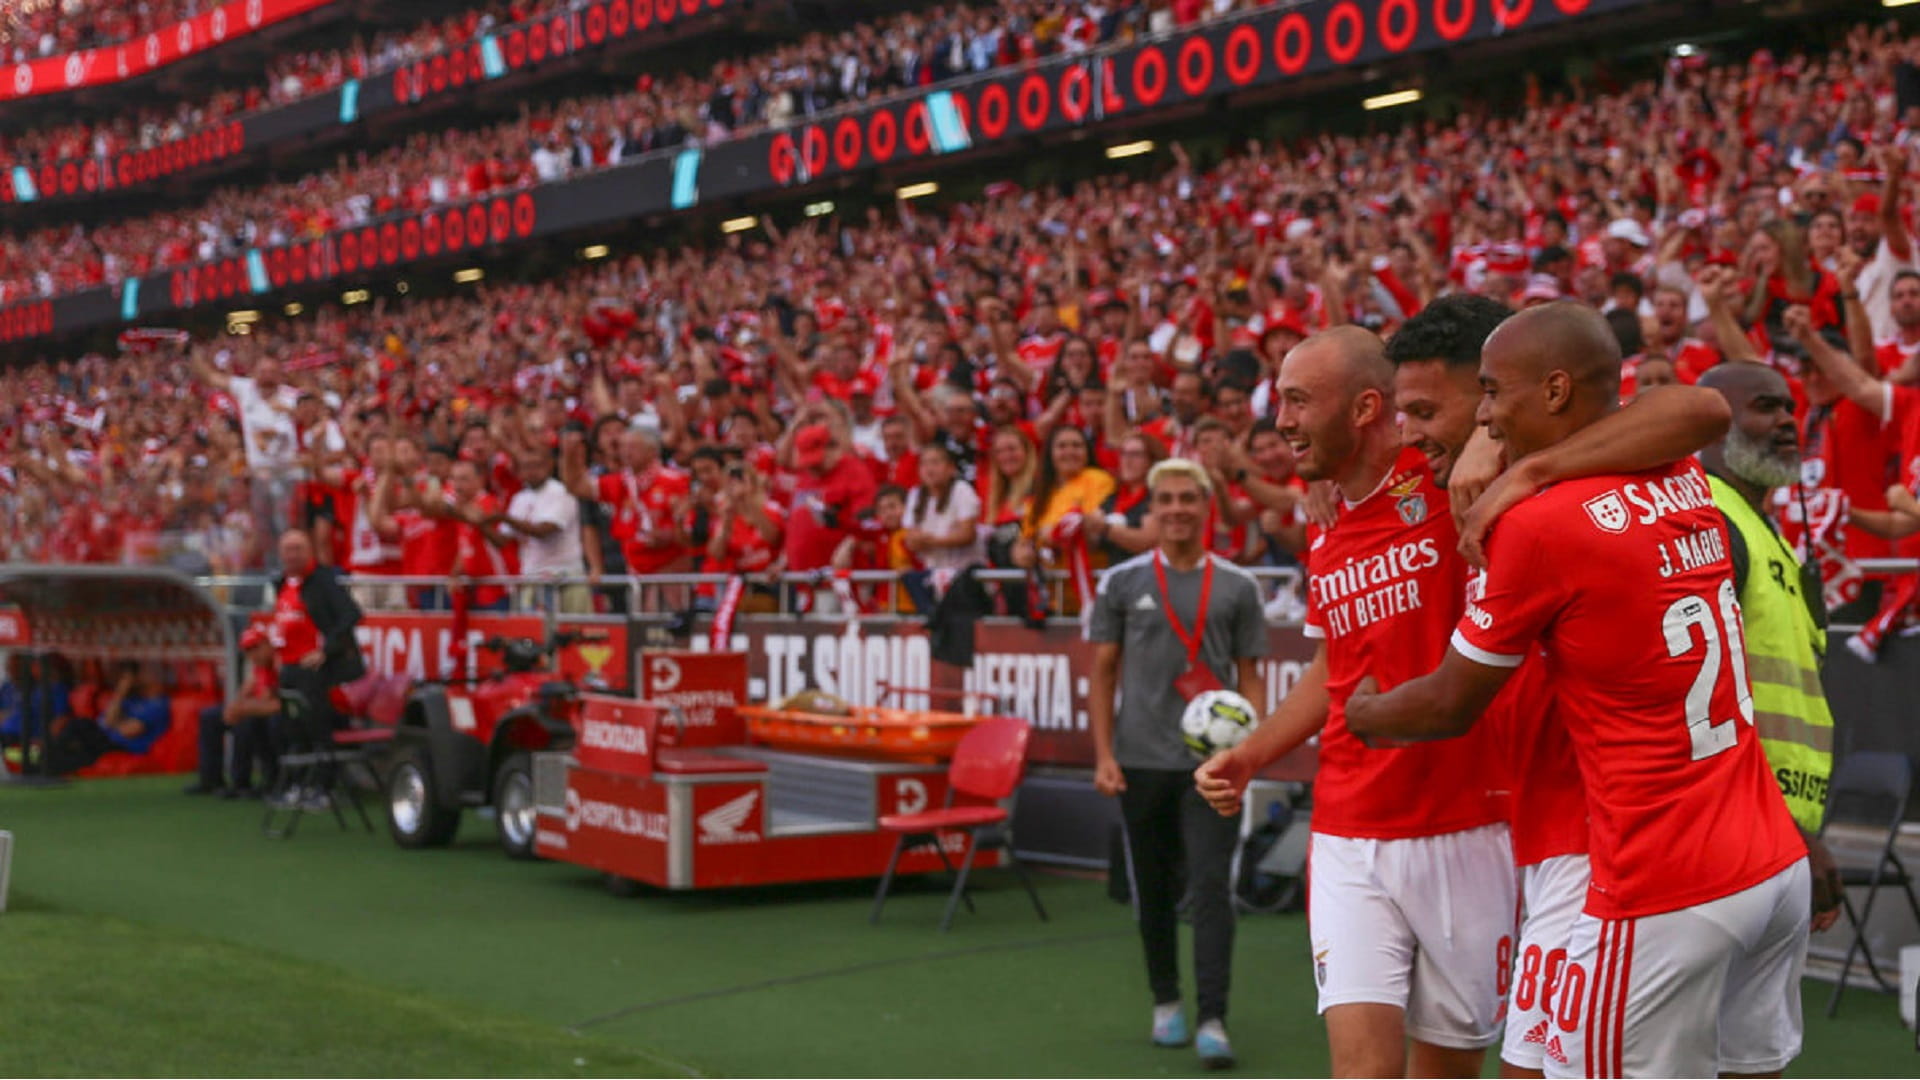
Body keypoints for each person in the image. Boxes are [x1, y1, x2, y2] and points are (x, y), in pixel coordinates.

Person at [1343, 303, 1808, 1078]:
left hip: (1633, 860)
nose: (1417, 431)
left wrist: (1363, 714)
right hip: (1760, 852)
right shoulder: (1674, 469)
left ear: (1550, 390)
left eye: (1477, 398)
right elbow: (1688, 410)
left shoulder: (1537, 518)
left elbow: (1451, 702)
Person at [1087, 457, 1268, 1071]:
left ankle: (1213, 1017)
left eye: (1188, 498)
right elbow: (1103, 672)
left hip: (1211, 769)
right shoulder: (1121, 582)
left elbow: (1250, 678)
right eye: (1165, 499)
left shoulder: (1239, 586)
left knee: (1213, 889)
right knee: (1154, 893)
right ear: (1151, 509)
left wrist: (1247, 754)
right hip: (1140, 763)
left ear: (1206, 506)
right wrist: (1105, 755)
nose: (1176, 510)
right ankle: (1166, 1001)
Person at [1698, 361, 1845, 933]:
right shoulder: (1711, 524)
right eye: (1765, 407)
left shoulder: (1764, 533)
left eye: (1790, 407)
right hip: (1739, 834)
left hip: (1779, 838)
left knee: (1763, 1028)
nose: (1788, 421)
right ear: (1710, 427)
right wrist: (1791, 833)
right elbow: (1705, 702)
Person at [269, 528, 367, 803]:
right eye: (288, 549)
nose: (292, 554)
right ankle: (296, 783)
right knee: (290, 727)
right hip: (289, 668)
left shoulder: (323, 580)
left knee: (317, 725)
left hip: (318, 672)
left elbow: (351, 614)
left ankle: (324, 785)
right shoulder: (281, 583)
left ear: (309, 550)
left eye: (298, 548)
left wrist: (326, 649)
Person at [185, 627, 281, 798]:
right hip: (256, 709)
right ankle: (210, 778)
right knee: (210, 717)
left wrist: (242, 709)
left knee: (247, 722)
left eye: (256, 647)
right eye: (248, 650)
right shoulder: (258, 667)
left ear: (268, 644)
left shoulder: (280, 663)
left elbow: (276, 703)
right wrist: (235, 707)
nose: (253, 654)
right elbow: (245, 693)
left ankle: (241, 782)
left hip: (270, 714)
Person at [498, 447, 588, 613]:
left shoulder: (561, 492)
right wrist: (477, 519)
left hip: (566, 577)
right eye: (526, 466)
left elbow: (543, 531)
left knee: (576, 633)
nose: (532, 471)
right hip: (533, 577)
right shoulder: (519, 498)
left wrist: (503, 518)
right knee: (534, 635)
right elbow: (501, 540)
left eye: (537, 465)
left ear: (550, 465)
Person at [47, 661, 170, 775]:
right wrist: (121, 692)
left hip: (125, 747)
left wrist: (114, 724)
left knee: (81, 725)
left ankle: (47, 762)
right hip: (108, 741)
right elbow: (107, 721)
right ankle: (46, 763)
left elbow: (129, 731)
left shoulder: (158, 705)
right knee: (78, 748)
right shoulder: (132, 700)